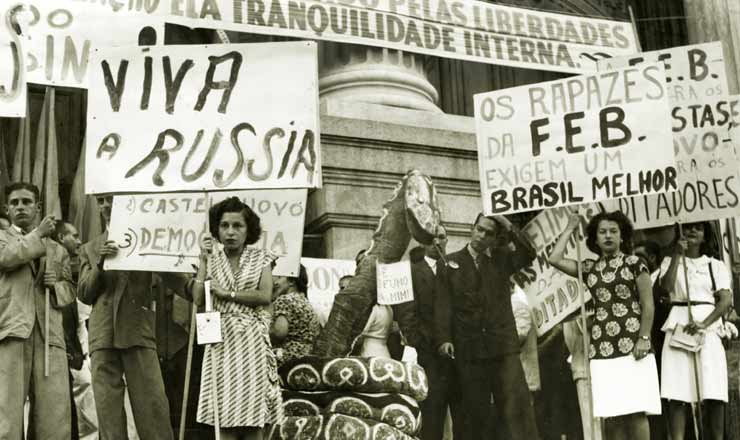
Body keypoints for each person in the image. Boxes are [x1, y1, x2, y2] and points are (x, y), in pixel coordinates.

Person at [78, 195, 189, 440]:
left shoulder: (145, 240)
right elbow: (84, 293)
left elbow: (175, 278)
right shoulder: (90, 247)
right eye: (101, 201)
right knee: (108, 411)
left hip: (137, 329)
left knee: (152, 404)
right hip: (102, 333)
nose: (106, 206)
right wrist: (100, 263)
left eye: (111, 200)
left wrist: (197, 288)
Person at [549, 211, 661, 440]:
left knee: (636, 411)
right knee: (613, 413)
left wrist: (644, 338)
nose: (608, 236)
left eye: (613, 231)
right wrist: (570, 227)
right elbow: (554, 259)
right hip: (601, 348)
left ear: (622, 236)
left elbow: (648, 306)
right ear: (594, 238)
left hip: (634, 346)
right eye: (602, 232)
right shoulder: (589, 267)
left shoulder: (635, 264)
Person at [435, 213, 539, 440]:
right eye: (479, 229)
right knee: (474, 414)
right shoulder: (449, 263)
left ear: (495, 238)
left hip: (503, 348)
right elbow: (443, 305)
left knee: (516, 411)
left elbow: (528, 253)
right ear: (472, 229)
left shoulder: (501, 260)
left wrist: (506, 224)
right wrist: (444, 339)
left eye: (489, 233)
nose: (481, 236)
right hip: (469, 348)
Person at [190, 197, 282, 440]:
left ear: (248, 229)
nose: (230, 232)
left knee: (253, 415)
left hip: (251, 339)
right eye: (224, 226)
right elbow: (198, 298)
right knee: (224, 413)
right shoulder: (210, 258)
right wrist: (202, 260)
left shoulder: (262, 258)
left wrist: (227, 293)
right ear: (216, 229)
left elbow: (264, 295)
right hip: (220, 340)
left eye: (237, 226)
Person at [0, 182, 76, 439]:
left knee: (54, 412)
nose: (20, 207)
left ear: (38, 207)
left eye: (26, 202)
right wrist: (38, 235)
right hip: (12, 331)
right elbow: (7, 259)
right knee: (7, 412)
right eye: (14, 203)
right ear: (6, 210)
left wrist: (56, 286)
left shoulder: (58, 250)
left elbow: (70, 295)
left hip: (49, 335)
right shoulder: (1, 239)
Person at [658, 221, 733, 440]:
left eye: (698, 228)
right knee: (677, 389)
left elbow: (725, 300)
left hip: (706, 327)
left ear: (704, 236)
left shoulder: (715, 265)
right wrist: (677, 256)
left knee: (713, 387)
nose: (692, 231)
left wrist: (704, 323)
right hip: (678, 323)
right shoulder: (669, 261)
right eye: (688, 227)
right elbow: (667, 288)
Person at [394, 227, 465, 440]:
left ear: (447, 240)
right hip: (430, 355)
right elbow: (406, 313)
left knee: (462, 413)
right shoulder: (412, 271)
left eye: (441, 237)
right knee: (433, 412)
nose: (437, 241)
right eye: (431, 238)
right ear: (423, 241)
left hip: (459, 353)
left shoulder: (455, 268)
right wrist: (422, 344)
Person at [55, 221, 99, 439]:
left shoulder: (72, 276)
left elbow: (80, 320)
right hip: (56, 351)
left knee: (86, 399)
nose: (80, 241)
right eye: (74, 235)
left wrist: (83, 352)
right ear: (61, 238)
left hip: (76, 353)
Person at [271, 264, 321, 367]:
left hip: (287, 359)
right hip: (306, 358)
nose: (275, 282)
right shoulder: (306, 302)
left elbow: (279, 332)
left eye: (280, 277)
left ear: (291, 281)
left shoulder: (284, 300)